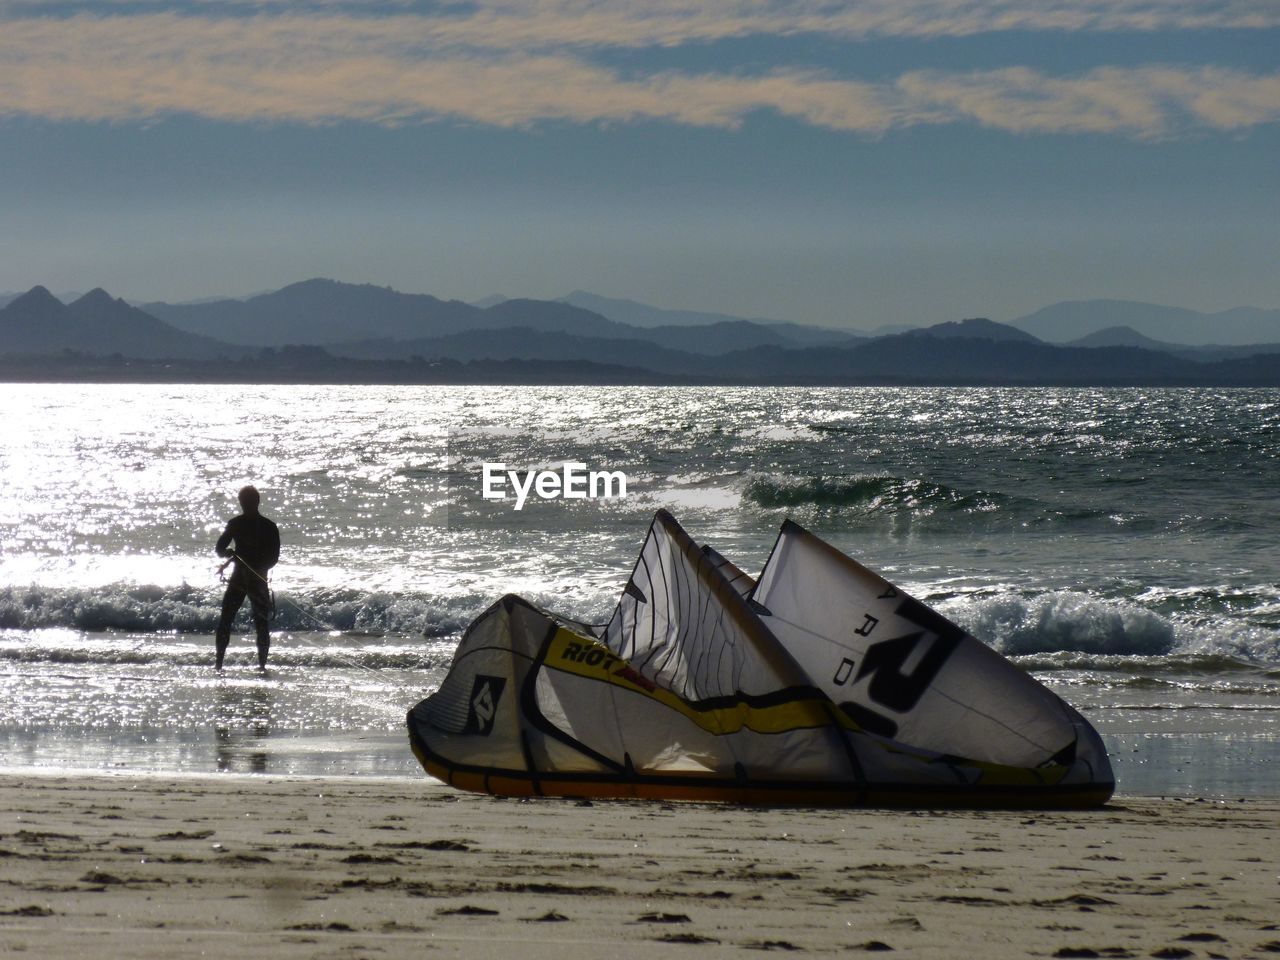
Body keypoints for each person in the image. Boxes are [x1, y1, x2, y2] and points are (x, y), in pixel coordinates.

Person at [214, 485, 281, 671]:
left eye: (248, 502)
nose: (246, 505)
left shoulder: (268, 527)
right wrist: (229, 553)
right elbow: (220, 549)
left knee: (260, 623)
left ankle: (261, 666)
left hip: (257, 579)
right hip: (241, 579)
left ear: (256, 502)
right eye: (244, 503)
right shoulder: (238, 524)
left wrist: (257, 568)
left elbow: (274, 557)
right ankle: (219, 664)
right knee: (226, 620)